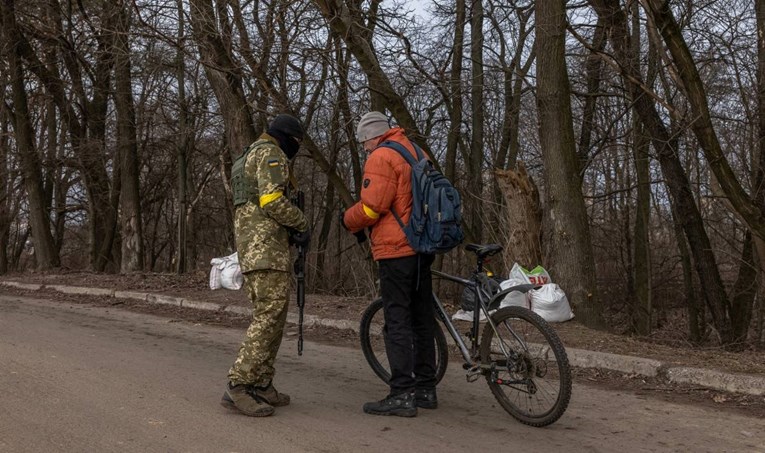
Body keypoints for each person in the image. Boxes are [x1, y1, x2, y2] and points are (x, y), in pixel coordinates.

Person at [340, 111, 437, 417]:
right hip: (422, 246)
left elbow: (372, 207)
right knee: (423, 319)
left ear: (371, 136)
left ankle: (401, 394)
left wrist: (347, 219)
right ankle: (425, 388)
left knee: (397, 320)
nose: (364, 148)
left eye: (363, 142)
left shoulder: (382, 156)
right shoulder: (415, 150)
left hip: (396, 249)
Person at [221, 113, 310, 417]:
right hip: (265, 249)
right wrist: (301, 222)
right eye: (296, 141)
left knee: (273, 316)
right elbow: (272, 201)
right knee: (268, 317)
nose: (296, 147)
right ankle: (240, 385)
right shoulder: (271, 154)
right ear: (286, 136)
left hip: (255, 248)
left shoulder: (250, 154)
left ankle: (261, 383)